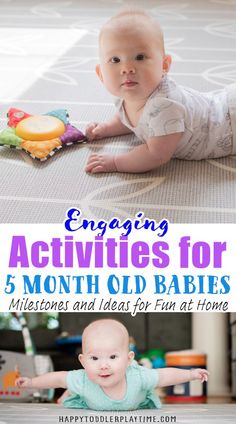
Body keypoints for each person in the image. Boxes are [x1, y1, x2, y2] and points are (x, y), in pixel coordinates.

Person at [85, 8, 236, 174]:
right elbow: (127, 118)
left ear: (164, 65)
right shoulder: (125, 94)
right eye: (115, 60)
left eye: (140, 57)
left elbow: (156, 154)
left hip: (229, 125)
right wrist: (106, 128)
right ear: (100, 74)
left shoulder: (165, 107)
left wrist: (115, 162)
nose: (127, 68)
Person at [16, 319, 209, 410]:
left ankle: (72, 390)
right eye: (94, 359)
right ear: (83, 361)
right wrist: (31, 382)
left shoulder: (139, 376)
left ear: (128, 359)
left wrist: (190, 374)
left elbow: (165, 376)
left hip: (134, 398)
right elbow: (57, 378)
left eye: (113, 357)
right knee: (69, 383)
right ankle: (72, 392)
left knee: (73, 384)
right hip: (88, 393)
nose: (104, 366)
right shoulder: (83, 378)